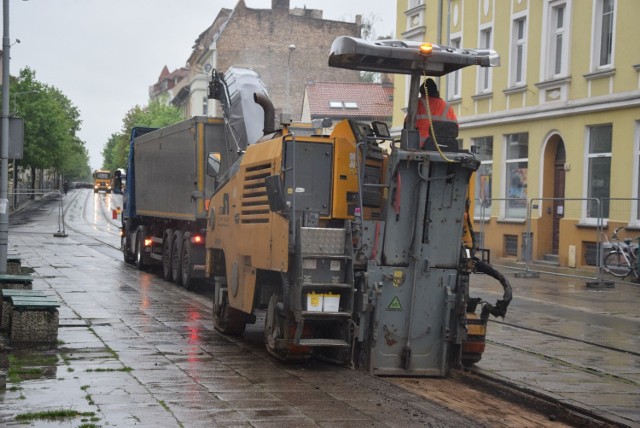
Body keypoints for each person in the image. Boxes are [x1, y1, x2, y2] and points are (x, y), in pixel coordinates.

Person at [415, 78, 458, 149]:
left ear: (423, 93)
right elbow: (455, 129)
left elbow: (407, 125)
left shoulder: (417, 104)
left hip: (421, 148)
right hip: (444, 148)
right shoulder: (447, 107)